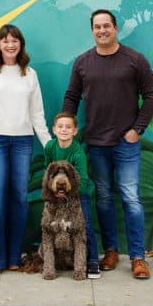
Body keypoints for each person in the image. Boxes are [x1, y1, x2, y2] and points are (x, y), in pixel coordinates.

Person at [62, 9, 153, 280]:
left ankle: (138, 257)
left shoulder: (134, 60)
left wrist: (137, 129)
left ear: (116, 28)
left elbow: (151, 95)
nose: (102, 30)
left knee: (131, 198)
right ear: (92, 30)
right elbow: (71, 96)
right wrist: (66, 130)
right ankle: (111, 251)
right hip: (96, 143)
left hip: (125, 143)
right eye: (97, 26)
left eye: (106, 25)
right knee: (103, 198)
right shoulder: (83, 62)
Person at [0, 23, 51, 273]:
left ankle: (14, 257)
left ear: (20, 44)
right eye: (5, 40)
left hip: (22, 142)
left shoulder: (29, 74)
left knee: (19, 198)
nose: (10, 44)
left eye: (14, 40)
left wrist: (50, 146)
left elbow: (37, 115)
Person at [43, 112, 100, 279]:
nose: (64, 130)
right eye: (60, 127)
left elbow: (82, 181)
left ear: (75, 131)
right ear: (54, 130)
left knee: (85, 227)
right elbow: (48, 173)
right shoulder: (50, 147)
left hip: (78, 193)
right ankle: (50, 266)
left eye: (68, 127)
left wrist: (67, 190)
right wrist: (53, 189)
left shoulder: (78, 153)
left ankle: (93, 261)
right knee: (48, 228)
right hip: (55, 196)